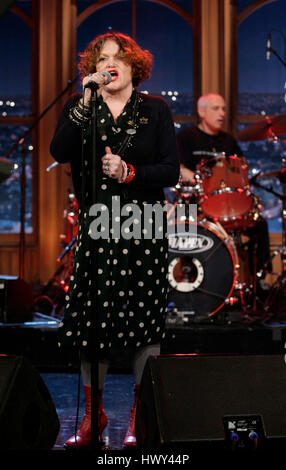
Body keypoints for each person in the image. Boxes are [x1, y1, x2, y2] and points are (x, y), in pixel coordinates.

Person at [50, 32, 180, 449]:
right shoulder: (81, 108)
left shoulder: (155, 110)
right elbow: (58, 148)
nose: (110, 64)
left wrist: (130, 174)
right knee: (93, 323)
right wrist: (85, 102)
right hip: (97, 229)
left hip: (142, 229)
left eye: (118, 58)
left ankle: (140, 418)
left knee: (144, 323)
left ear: (133, 66)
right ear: (93, 69)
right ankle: (93, 416)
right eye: (102, 59)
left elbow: (171, 171)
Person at [177, 93, 271, 293]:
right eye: (216, 109)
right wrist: (187, 172)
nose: (222, 114)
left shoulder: (228, 141)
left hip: (227, 205)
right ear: (202, 112)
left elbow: (240, 173)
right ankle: (189, 280)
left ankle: (260, 280)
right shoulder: (186, 137)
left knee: (260, 223)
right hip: (197, 204)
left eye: (224, 109)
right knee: (182, 220)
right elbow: (173, 164)